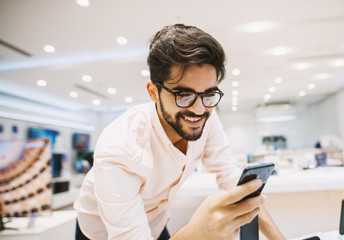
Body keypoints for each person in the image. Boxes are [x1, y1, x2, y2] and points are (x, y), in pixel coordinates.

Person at [74, 23, 285, 240]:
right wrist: (196, 234)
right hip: (99, 233)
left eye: (209, 94)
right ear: (153, 92)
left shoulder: (207, 117)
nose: (198, 109)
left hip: (155, 223)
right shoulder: (120, 149)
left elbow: (233, 181)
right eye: (183, 95)